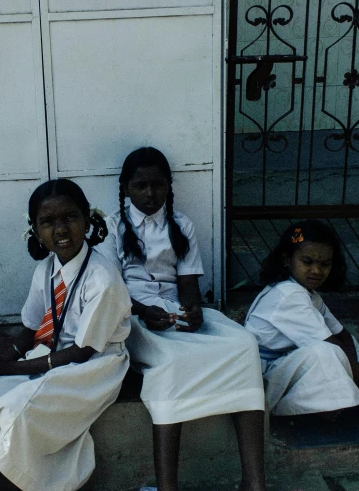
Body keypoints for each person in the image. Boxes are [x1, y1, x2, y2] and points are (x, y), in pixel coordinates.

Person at [96, 147, 266, 491]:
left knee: (245, 344)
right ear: (125, 187)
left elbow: (189, 284)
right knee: (173, 360)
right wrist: (144, 312)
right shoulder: (111, 228)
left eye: (158, 185)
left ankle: (254, 481)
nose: (149, 194)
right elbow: (111, 292)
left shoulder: (181, 224)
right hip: (134, 317)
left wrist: (194, 309)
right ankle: (167, 487)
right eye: (140, 186)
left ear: (169, 186)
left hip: (173, 310)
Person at [0, 179, 131, 491]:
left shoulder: (103, 278)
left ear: (87, 221)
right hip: (51, 354)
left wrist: (4, 369)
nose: (60, 230)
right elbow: (30, 330)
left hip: (95, 365)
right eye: (48, 222)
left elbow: (81, 353)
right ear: (35, 230)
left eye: (70, 218)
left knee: (21, 411)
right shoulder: (45, 270)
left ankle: (17, 484)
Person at [244, 219, 359, 418]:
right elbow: (329, 343)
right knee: (325, 352)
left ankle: (336, 399)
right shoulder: (288, 294)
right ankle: (317, 406)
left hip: (283, 365)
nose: (316, 271)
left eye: (324, 264)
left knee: (347, 347)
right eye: (307, 262)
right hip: (262, 378)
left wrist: (354, 378)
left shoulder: (308, 293)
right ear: (287, 259)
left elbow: (340, 333)